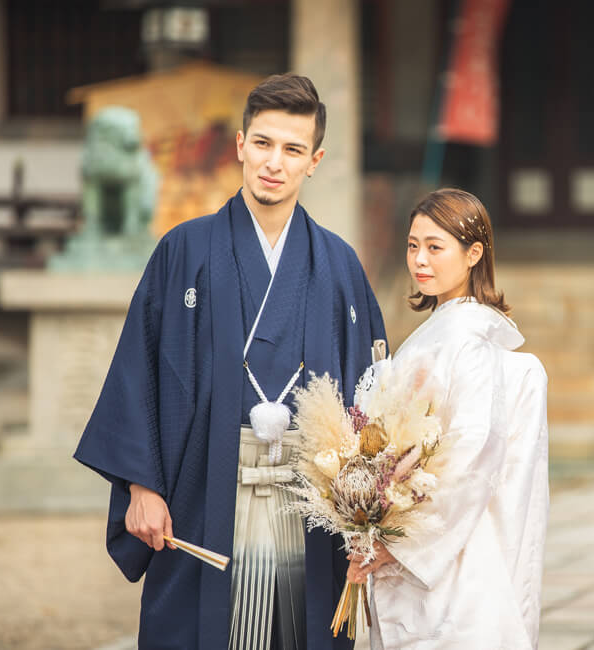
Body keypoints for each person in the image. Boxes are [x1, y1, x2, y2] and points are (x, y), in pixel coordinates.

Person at [74, 73, 385, 650]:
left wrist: (370, 514)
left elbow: (371, 398)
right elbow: (139, 369)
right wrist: (141, 485)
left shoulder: (340, 266)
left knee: (305, 630)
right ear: (240, 144)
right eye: (263, 143)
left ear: (314, 161)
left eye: (293, 150)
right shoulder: (183, 250)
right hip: (203, 494)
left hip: (306, 503)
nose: (275, 162)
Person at [347, 188, 549, 649]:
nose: (420, 259)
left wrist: (396, 541)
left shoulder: (471, 342)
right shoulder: (439, 332)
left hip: (451, 549)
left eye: (435, 247)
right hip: (420, 536)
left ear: (473, 253)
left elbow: (471, 454)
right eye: (413, 245)